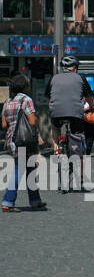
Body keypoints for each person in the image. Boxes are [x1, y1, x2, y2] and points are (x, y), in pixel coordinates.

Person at [46, 56, 93, 193]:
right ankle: (76, 154)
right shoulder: (80, 79)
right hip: (75, 114)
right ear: (74, 68)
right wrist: (91, 107)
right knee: (78, 137)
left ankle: (56, 147)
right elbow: (89, 97)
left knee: (55, 127)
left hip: (57, 112)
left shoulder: (53, 78)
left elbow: (48, 97)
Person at [2, 74, 48, 211]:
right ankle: (8, 201)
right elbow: (32, 121)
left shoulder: (7, 102)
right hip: (25, 141)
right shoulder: (26, 100)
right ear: (25, 87)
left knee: (30, 169)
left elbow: (4, 125)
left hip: (12, 141)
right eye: (28, 84)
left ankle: (35, 200)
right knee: (19, 169)